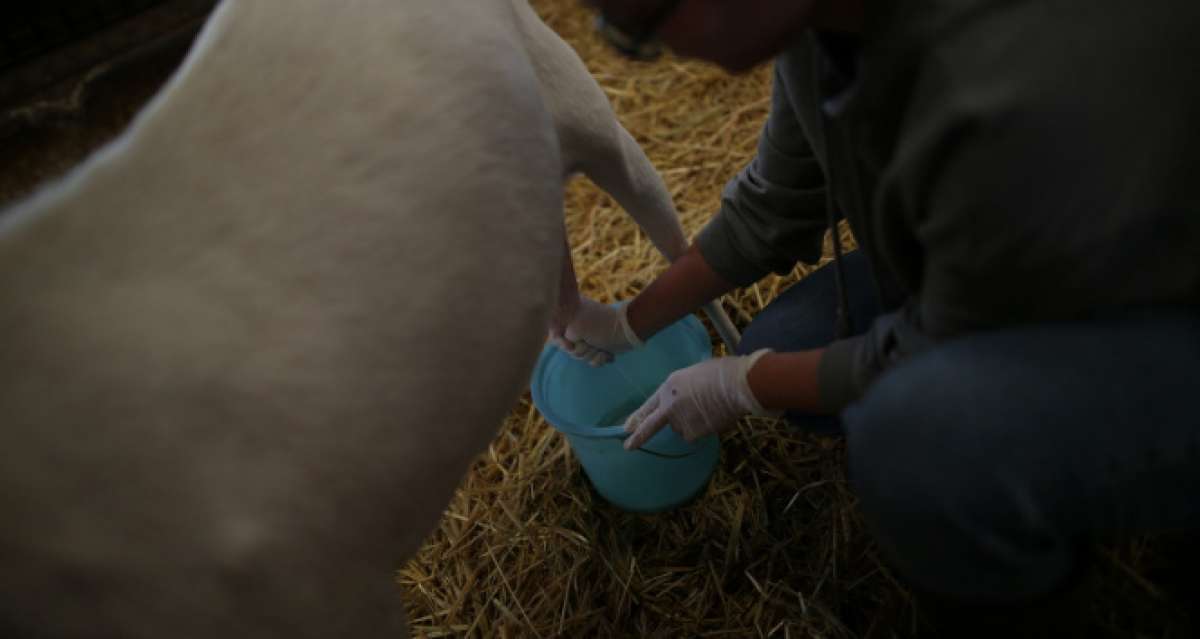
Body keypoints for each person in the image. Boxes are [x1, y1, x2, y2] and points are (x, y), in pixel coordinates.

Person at [557, 0, 1200, 635]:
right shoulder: (818, 31)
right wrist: (628, 323)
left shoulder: (998, 79)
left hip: (1159, 311)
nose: (665, 50)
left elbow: (933, 347)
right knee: (790, 341)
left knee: (914, 439)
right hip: (1021, 255)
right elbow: (776, 202)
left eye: (647, 21)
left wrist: (742, 383)